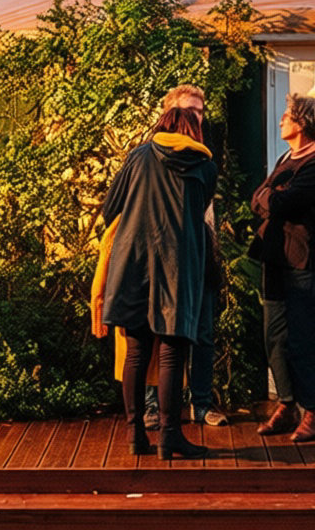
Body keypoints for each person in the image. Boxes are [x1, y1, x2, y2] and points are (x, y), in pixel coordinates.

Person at [93, 105, 218, 459]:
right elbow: (198, 210)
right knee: (171, 355)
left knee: (136, 352)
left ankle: (134, 435)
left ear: (161, 125)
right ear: (194, 131)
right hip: (178, 267)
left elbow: (109, 208)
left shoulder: (138, 156)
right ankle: (170, 436)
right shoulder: (206, 167)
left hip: (132, 263)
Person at [252, 94, 315, 443]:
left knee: (303, 335)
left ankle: (314, 411)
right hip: (275, 256)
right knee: (274, 333)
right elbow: (257, 197)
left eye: (287, 115)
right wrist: (270, 196)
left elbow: (279, 201)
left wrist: (270, 196)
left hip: (302, 258)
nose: (282, 120)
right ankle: (287, 404)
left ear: (302, 123)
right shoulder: (288, 156)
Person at [154, 85, 229, 428]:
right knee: (158, 331)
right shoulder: (151, 155)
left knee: (202, 331)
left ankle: (200, 403)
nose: (196, 117)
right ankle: (154, 406)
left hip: (200, 248)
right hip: (162, 255)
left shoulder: (205, 158)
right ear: (171, 113)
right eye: (188, 111)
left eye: (200, 111)